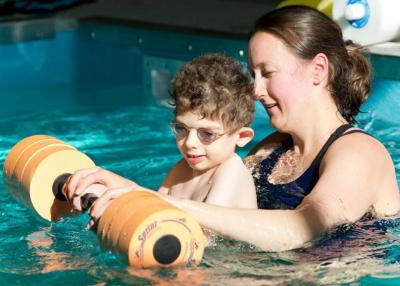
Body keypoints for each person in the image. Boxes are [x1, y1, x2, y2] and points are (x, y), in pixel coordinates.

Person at [67, 6, 400, 251]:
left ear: (318, 70)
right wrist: (122, 189)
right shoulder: (270, 150)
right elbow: (213, 206)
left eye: (267, 73)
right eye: (253, 74)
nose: (255, 89)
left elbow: (302, 229)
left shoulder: (359, 154)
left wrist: (166, 205)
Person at [68, 53, 258, 219]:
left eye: (207, 134)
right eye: (181, 129)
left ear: (241, 137)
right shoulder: (182, 168)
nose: (190, 143)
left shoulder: (230, 172)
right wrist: (111, 191)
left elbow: (206, 235)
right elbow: (154, 206)